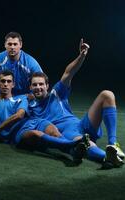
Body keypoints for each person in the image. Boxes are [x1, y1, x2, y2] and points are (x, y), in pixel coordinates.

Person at [28, 39, 124, 168]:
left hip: (81, 123)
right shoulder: (30, 107)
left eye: (41, 84)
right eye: (35, 85)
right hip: (67, 133)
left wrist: (82, 56)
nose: (38, 87)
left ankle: (113, 144)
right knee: (85, 143)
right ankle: (108, 158)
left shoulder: (57, 93)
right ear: (30, 87)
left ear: (47, 86)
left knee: (107, 95)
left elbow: (68, 72)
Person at [0, 70, 89, 163]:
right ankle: (73, 145)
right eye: (3, 81)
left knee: (53, 132)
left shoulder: (22, 98)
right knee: (36, 134)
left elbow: (19, 115)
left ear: (13, 84)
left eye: (9, 81)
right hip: (17, 133)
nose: (6, 84)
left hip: (33, 122)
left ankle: (74, 151)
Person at [0, 32, 42, 96]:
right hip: (0, 95)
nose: (12, 47)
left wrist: (27, 98)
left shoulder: (31, 63)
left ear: (21, 45)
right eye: (9, 44)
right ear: (5, 45)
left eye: (15, 44)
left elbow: (41, 84)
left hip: (23, 97)